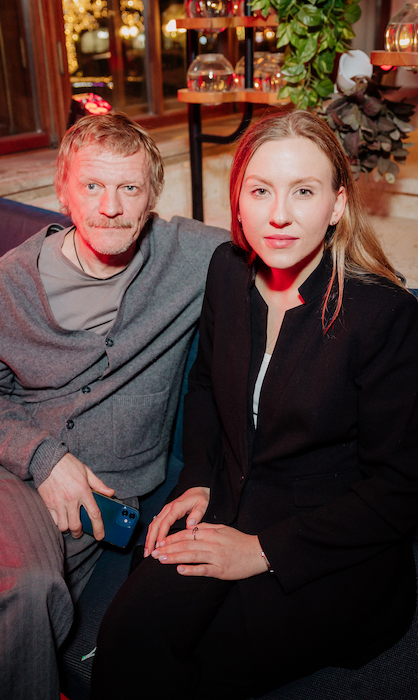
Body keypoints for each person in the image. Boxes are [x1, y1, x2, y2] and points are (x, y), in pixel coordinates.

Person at [90, 110, 418, 700]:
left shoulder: (384, 314)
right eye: (260, 190)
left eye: (304, 191)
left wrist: (261, 552)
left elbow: (400, 489)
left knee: (199, 667)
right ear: (237, 202)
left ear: (337, 205)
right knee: (129, 640)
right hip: (229, 500)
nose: (279, 214)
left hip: (325, 542)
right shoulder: (226, 271)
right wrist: (197, 479)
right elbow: (204, 388)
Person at [0, 112, 228, 700]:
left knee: (17, 603)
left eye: (130, 187)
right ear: (63, 190)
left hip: (102, 500)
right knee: (22, 587)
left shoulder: (187, 256)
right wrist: (45, 459)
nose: (111, 207)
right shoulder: (12, 281)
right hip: (4, 469)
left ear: (152, 197)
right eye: (93, 185)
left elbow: (281, 239)